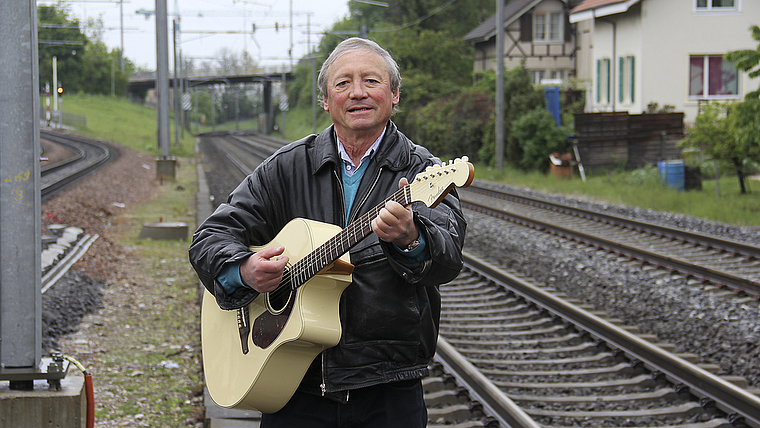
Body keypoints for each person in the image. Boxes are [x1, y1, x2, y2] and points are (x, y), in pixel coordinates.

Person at [189, 37, 467, 428]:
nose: (358, 92)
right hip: (293, 385)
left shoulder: (422, 172)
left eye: (371, 81)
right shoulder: (287, 168)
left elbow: (448, 258)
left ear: (394, 94)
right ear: (325, 99)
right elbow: (209, 238)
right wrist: (244, 270)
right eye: (343, 83)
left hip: (387, 388)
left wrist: (411, 239)